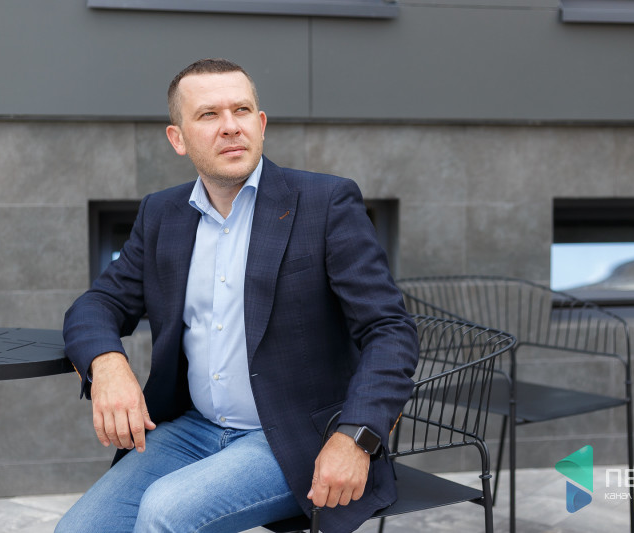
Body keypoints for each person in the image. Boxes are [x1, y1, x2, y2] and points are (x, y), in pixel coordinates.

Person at [55, 58, 419, 533]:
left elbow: (390, 330)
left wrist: (356, 437)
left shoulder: (325, 204)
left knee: (166, 512)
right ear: (178, 138)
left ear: (260, 124)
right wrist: (107, 364)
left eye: (241, 110)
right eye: (209, 114)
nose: (230, 126)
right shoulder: (162, 214)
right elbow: (97, 304)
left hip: (296, 437)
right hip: (193, 429)